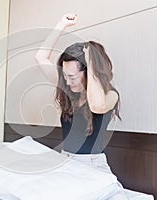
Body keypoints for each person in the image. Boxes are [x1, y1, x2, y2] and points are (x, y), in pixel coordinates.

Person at [35, 13, 126, 199]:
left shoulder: (110, 95)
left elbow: (97, 106)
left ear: (89, 71)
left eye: (72, 76)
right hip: (65, 162)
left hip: (92, 166)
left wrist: (91, 60)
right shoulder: (69, 89)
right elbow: (40, 57)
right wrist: (61, 25)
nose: (67, 82)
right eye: (65, 76)